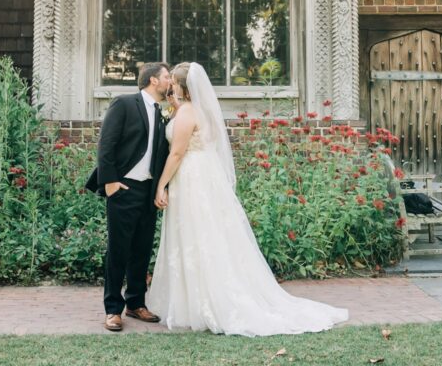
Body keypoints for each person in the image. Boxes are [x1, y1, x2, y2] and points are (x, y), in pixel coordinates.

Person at [147, 61, 349, 336]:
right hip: (205, 175)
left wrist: (161, 185)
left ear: (182, 86)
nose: (169, 85)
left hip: (191, 177)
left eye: (173, 82)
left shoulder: (186, 113)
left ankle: (203, 302)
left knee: (197, 235)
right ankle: (197, 300)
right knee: (209, 236)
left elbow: (177, 153)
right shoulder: (201, 111)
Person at [86, 61, 171, 331]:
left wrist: (161, 187)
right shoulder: (124, 104)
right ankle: (113, 309)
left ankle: (136, 303)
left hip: (148, 191)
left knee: (142, 250)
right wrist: (109, 182)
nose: (171, 81)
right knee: (118, 251)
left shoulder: (163, 112)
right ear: (153, 81)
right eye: (167, 77)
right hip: (123, 188)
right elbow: (106, 143)